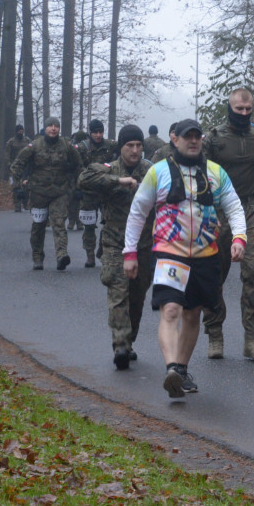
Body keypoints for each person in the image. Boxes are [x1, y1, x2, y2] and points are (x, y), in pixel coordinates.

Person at [122, 119, 247, 399]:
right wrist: (129, 253)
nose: (193, 141)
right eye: (187, 137)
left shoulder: (216, 173)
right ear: (174, 139)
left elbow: (235, 208)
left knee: (193, 314)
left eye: (197, 137)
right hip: (170, 252)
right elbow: (137, 214)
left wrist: (239, 238)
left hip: (206, 255)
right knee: (171, 311)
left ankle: (180, 369)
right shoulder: (158, 172)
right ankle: (172, 369)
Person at [202, 88, 254, 361]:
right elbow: (200, 173)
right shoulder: (213, 139)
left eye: (249, 110)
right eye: (239, 110)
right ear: (230, 107)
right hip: (218, 210)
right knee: (214, 274)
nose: (244, 114)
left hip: (250, 207)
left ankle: (252, 339)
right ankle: (214, 334)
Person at [78, 125, 155, 370]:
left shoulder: (151, 171)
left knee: (137, 295)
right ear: (120, 147)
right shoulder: (110, 169)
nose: (134, 150)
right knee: (118, 291)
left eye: (138, 146)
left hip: (144, 244)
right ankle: (120, 344)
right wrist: (118, 181)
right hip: (114, 242)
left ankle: (129, 340)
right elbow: (84, 178)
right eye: (129, 146)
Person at [10, 117, 83, 271]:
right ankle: (37, 257)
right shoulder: (35, 145)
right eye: (50, 125)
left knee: (58, 223)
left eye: (56, 126)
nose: (53, 128)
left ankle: (61, 255)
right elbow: (18, 164)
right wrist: (17, 186)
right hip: (38, 192)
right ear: (45, 128)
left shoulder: (67, 145)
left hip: (60, 192)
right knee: (38, 225)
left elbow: (79, 167)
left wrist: (78, 187)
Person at [77, 119, 118, 267]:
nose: (98, 135)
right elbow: (76, 169)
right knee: (89, 225)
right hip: (88, 192)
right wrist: (77, 190)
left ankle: (102, 247)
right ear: (90, 133)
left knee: (108, 222)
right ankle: (90, 255)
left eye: (100, 132)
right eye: (95, 132)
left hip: (107, 191)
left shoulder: (111, 146)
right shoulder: (82, 148)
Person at [67, 129, 89, 230]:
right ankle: (73, 221)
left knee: (76, 200)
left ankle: (76, 221)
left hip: (79, 175)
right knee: (75, 199)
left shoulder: (85, 147)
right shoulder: (72, 147)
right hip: (73, 175)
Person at [4, 124, 29, 212]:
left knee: (26, 185)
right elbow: (7, 154)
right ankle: (17, 205)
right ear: (16, 132)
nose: (20, 133)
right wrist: (9, 164)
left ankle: (25, 203)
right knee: (16, 187)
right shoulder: (11, 142)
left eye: (22, 131)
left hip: (25, 166)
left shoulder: (27, 140)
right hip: (14, 167)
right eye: (19, 131)